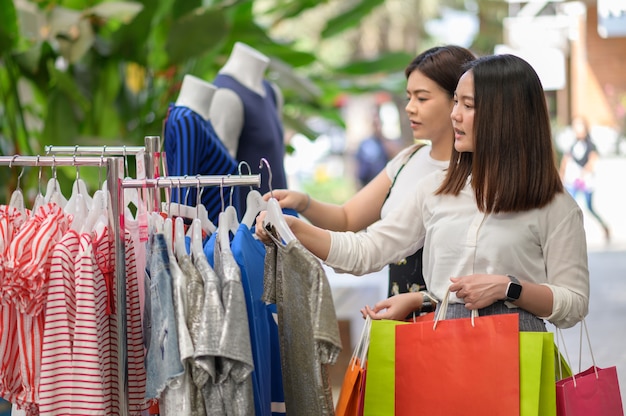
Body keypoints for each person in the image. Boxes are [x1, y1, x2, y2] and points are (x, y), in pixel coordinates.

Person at [257, 54, 589, 331]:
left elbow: (573, 304)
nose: (455, 114)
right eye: (456, 102)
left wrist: (510, 288)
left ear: (507, 116)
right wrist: (295, 229)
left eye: (468, 105)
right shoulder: (435, 188)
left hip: (520, 365)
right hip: (443, 354)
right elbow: (366, 251)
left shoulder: (555, 205)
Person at [263, 45, 477, 301]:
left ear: (457, 99)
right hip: (399, 316)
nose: (409, 107)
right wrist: (303, 203)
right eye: (408, 97)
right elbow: (347, 220)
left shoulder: (478, 178)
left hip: (451, 320)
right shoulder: (407, 160)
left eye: (422, 98)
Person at [210, 42, 292, 217]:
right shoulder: (226, 96)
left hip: (279, 221)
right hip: (249, 229)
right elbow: (220, 177)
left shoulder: (272, 92)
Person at [163, 74, 238, 224]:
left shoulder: (198, 120)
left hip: (220, 239)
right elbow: (182, 205)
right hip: (208, 243)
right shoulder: (186, 121)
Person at [559, 116, 611, 242]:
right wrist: (562, 175)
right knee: (569, 204)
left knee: (589, 207)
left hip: (586, 181)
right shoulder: (573, 145)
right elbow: (565, 160)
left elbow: (593, 160)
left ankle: (604, 227)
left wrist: (584, 172)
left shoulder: (590, 145)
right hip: (574, 181)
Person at [355, 115, 391, 187]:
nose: (377, 127)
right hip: (368, 183)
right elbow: (358, 164)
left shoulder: (387, 143)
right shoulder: (365, 143)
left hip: (384, 183)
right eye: (375, 124)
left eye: (378, 124)